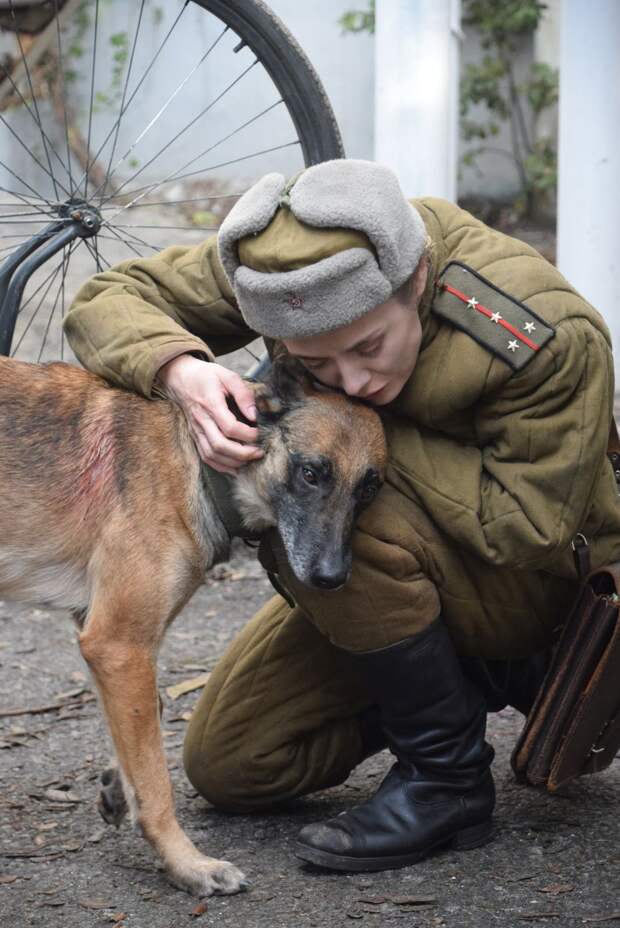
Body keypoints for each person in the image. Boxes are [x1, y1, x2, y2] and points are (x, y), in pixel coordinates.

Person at [64, 159, 620, 873]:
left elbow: (521, 528)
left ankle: (448, 779)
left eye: (367, 347)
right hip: (408, 580)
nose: (354, 379)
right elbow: (108, 298)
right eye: (316, 363)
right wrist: (180, 368)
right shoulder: (292, 271)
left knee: (328, 484)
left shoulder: (542, 333)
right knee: (233, 765)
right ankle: (449, 678)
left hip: (537, 585)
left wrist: (335, 427)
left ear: (414, 280)